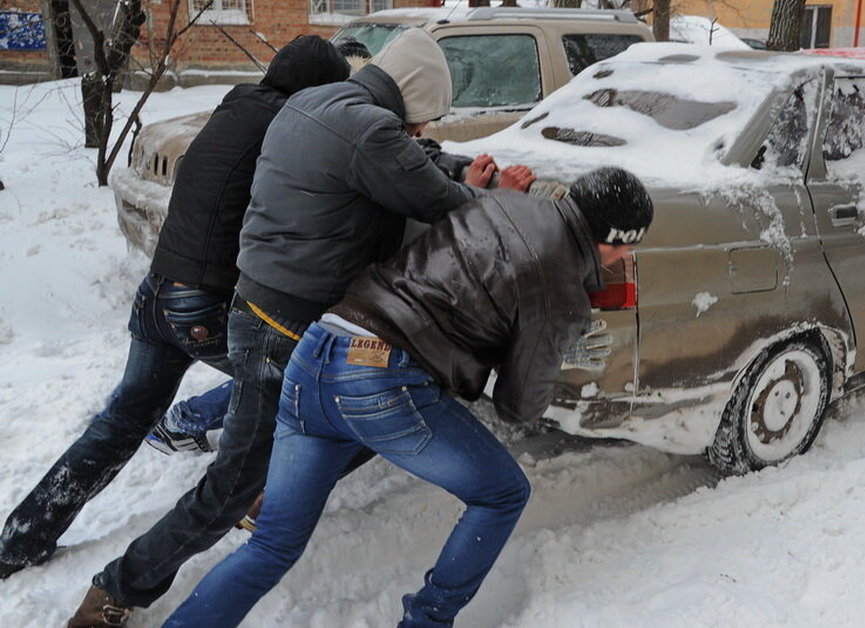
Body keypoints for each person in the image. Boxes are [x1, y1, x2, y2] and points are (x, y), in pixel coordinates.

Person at [66, 28, 534, 627]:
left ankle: (272, 497)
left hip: (262, 310)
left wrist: (461, 165)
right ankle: (116, 591)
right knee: (231, 485)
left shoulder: (323, 103)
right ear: (412, 98)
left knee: (354, 427)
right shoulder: (371, 130)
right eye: (423, 121)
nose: (421, 133)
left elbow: (409, 160)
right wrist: (492, 193)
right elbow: (435, 197)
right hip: (282, 329)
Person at [163, 167, 654, 628]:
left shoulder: (503, 201)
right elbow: (517, 406)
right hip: (381, 376)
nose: (626, 261)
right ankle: (427, 620)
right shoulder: (563, 291)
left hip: (317, 352)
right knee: (503, 493)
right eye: (628, 250)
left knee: (271, 545)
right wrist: (555, 351)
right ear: (615, 240)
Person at [0, 35, 351, 582]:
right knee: (307, 390)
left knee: (119, 422)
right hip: (205, 304)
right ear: (314, 92)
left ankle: (22, 540)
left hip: (159, 292)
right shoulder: (288, 129)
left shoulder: (231, 111)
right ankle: (258, 507)